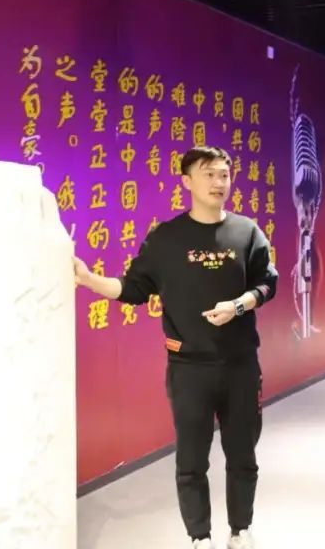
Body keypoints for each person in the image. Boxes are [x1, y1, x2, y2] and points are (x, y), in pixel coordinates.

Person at [73, 146, 277, 549]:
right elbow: (133, 289)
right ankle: (199, 537)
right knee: (191, 461)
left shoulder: (247, 232)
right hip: (189, 368)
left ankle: (240, 530)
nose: (218, 183)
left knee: (243, 455)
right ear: (187, 182)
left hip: (240, 365)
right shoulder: (166, 238)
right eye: (209, 174)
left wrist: (238, 305)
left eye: (224, 175)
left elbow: (267, 283)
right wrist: (90, 279)